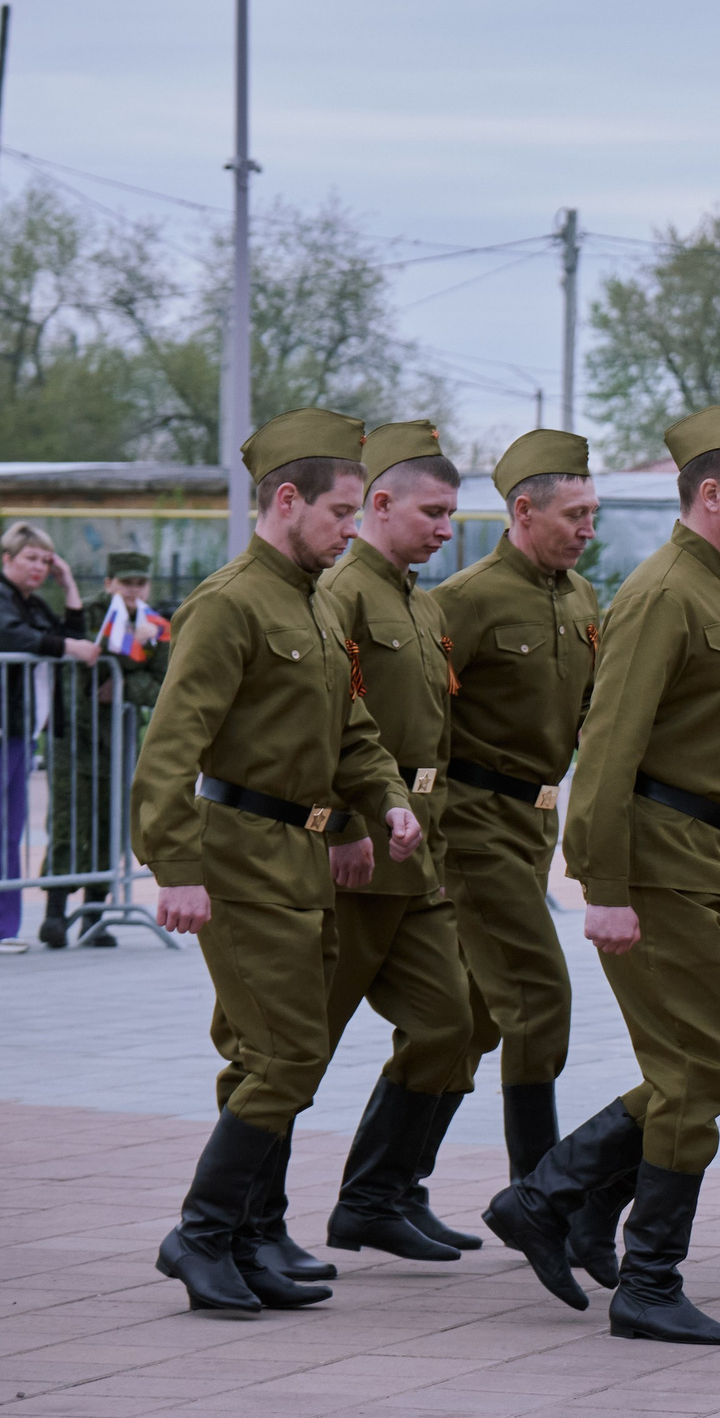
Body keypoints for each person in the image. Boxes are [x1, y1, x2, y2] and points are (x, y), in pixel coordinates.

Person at [485, 403, 720, 1345]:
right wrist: (603, 886)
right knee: (699, 1064)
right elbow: (609, 749)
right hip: (660, 862)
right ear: (712, 496)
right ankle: (648, 1280)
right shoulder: (667, 591)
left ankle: (555, 1195)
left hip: (712, 858)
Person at [132, 408, 421, 1314]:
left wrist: (388, 804)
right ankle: (202, 1234)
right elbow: (170, 751)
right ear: (285, 500)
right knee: (290, 1051)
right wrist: (173, 867)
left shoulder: (310, 602)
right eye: (340, 512)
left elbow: (355, 735)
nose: (350, 530)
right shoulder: (229, 603)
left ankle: (253, 1232)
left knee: (262, 1050)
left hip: (299, 855)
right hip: (239, 856)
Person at [308, 421, 479, 1266]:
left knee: (451, 1021)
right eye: (435, 511)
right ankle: (248, 1216)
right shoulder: (341, 593)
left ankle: (374, 1197)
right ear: (379, 503)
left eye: (453, 514)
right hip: (356, 852)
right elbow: (327, 723)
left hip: (416, 849)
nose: (447, 528)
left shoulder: (417, 599)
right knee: (303, 1041)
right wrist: (342, 823)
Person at [435, 429, 600, 1253]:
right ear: (522, 512)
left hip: (534, 822)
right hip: (472, 821)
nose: (587, 530)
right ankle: (542, 1199)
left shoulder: (581, 599)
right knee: (539, 1000)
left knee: (468, 1016)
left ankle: (376, 1188)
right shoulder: (465, 599)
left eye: (593, 514)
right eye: (573, 514)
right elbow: (423, 717)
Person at [42, 551, 167, 949]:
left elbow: (164, 682)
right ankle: (54, 914)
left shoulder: (155, 625)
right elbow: (80, 662)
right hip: (72, 735)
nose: (133, 590)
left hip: (118, 739)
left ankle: (94, 916)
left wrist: (124, 687)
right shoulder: (89, 614)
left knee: (108, 826)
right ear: (110, 582)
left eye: (139, 583)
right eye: (125, 582)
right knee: (66, 821)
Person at [0, 523, 101, 946]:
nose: (40, 567)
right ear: (6, 559)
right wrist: (65, 648)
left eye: (46, 560)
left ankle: (5, 928)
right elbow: (11, 634)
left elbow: (70, 638)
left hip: (20, 731)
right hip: (5, 727)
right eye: (31, 558)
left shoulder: (33, 603)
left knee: (11, 830)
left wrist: (70, 585)